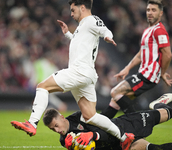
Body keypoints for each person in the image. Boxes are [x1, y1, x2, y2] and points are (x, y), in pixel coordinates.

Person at [10, 0, 134, 149]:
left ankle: (32, 123)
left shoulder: (91, 20)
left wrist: (108, 36)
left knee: (42, 87)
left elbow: (104, 29)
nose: (71, 13)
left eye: (73, 10)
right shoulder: (82, 26)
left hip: (79, 71)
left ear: (82, 7)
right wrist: (68, 34)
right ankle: (124, 137)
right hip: (86, 75)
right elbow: (81, 44)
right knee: (90, 117)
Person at [102, 0, 172, 119]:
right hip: (143, 73)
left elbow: (168, 54)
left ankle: (138, 122)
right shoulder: (147, 30)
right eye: (148, 10)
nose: (150, 13)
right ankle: (99, 125)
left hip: (149, 75)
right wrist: (127, 68)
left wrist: (162, 72)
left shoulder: (159, 30)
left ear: (160, 13)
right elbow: (141, 54)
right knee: (116, 100)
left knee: (115, 92)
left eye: (153, 10)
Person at [43, 93, 172, 150]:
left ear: (61, 117)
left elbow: (104, 122)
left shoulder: (79, 117)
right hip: (121, 144)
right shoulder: (64, 141)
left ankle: (158, 104)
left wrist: (91, 135)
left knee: (168, 113)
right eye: (52, 129)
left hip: (125, 126)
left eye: (56, 126)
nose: (57, 130)